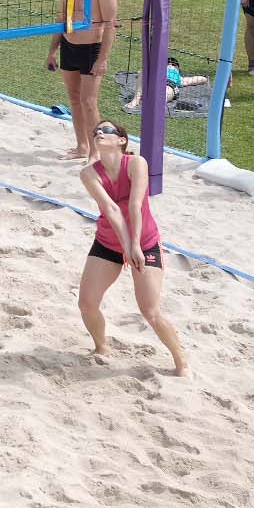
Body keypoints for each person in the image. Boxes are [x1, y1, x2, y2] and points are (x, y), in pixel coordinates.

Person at [76, 121, 188, 376]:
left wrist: (135, 246)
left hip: (146, 242)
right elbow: (112, 209)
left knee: (150, 311)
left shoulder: (137, 163)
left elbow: (135, 205)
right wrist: (126, 247)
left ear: (122, 140)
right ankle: (101, 347)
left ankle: (181, 362)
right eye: (96, 132)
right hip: (108, 242)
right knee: (86, 304)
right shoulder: (89, 173)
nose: (99, 133)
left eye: (106, 131)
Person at [46, 0, 118, 160]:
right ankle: (82, 147)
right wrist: (52, 51)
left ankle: (96, 153)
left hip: (91, 49)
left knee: (89, 102)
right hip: (69, 46)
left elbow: (111, 25)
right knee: (75, 99)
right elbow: (61, 18)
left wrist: (103, 59)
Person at [125, 55, 211, 113]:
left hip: (169, 85)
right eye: (168, 63)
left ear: (177, 68)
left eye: (173, 64)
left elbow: (195, 80)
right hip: (155, 81)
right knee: (144, 71)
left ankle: (157, 105)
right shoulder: (156, 69)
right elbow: (140, 73)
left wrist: (204, 79)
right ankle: (135, 101)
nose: (170, 65)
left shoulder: (179, 78)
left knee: (168, 90)